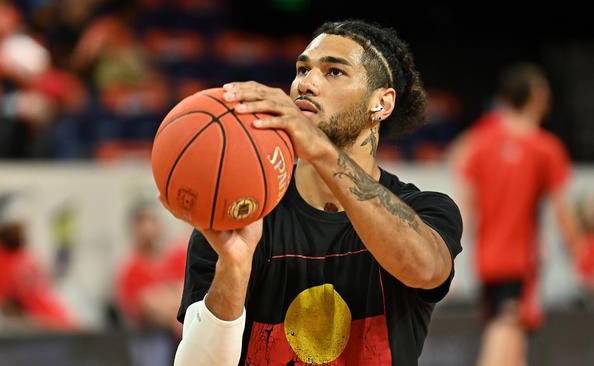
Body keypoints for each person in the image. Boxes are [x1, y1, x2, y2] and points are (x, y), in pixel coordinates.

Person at [173, 20, 463, 365]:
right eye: (302, 69)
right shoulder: (242, 210)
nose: (305, 84)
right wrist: (234, 267)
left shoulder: (424, 208)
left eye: (334, 72)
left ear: (381, 104)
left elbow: (425, 268)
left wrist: (320, 150)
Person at [458, 63, 585, 366]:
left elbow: (466, 198)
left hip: (485, 259)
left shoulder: (481, 141)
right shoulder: (545, 147)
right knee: (503, 342)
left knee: (514, 346)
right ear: (536, 98)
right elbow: (561, 209)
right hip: (519, 262)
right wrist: (579, 249)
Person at [0, 193, 77, 330]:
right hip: (41, 335)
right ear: (0, 229)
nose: (20, 231)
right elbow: (6, 311)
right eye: (14, 227)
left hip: (64, 327)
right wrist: (38, 326)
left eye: (22, 227)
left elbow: (48, 291)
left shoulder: (27, 256)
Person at [116, 200, 187, 334]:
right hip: (152, 338)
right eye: (142, 222)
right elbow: (143, 307)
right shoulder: (129, 269)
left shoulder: (180, 255)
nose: (148, 228)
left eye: (152, 221)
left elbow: (188, 294)